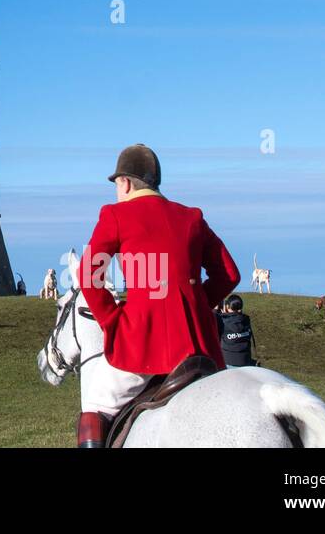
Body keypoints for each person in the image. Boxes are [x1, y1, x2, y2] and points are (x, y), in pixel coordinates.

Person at [76, 144, 239, 447]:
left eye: (116, 185)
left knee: (95, 405)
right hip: (199, 347)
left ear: (124, 182)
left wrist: (114, 320)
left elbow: (89, 275)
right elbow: (229, 274)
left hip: (141, 342)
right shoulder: (191, 217)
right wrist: (198, 306)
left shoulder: (115, 215)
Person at [216, 294, 257, 367]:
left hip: (227, 361)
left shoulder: (222, 321)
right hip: (246, 360)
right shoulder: (246, 320)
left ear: (227, 307)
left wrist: (222, 314)